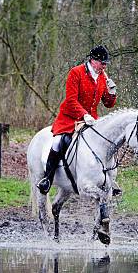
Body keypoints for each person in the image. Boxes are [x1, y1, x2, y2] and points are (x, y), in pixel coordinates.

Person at [37, 45, 117, 195]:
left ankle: (108, 179)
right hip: (70, 118)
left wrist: (112, 93)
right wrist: (83, 114)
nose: (105, 66)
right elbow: (71, 100)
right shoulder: (76, 73)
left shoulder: (102, 77)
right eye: (102, 63)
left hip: (91, 121)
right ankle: (47, 178)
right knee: (58, 141)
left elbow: (108, 103)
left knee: (104, 144)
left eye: (106, 63)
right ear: (93, 61)